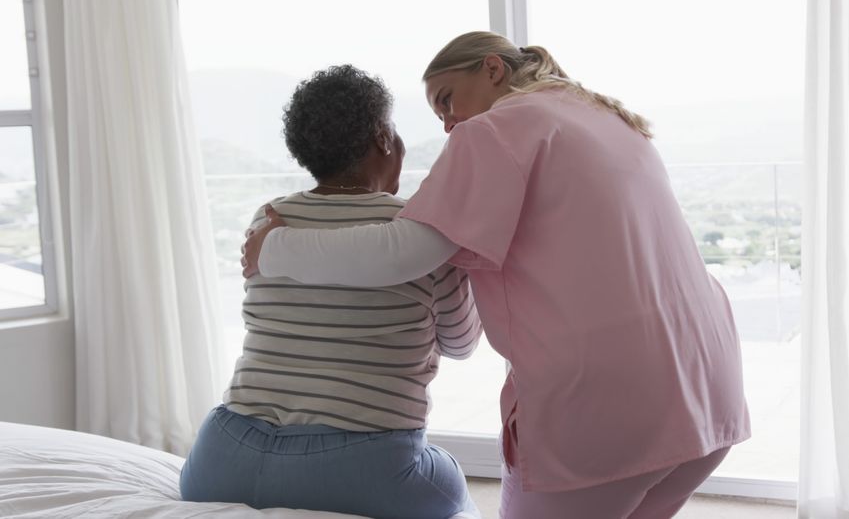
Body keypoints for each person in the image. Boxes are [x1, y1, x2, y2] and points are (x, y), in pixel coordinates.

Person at [243, 32, 750, 519]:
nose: (447, 124)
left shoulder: (495, 128)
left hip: (611, 408)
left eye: (446, 100)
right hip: (706, 386)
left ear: (491, 69)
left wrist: (274, 248)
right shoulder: (604, 117)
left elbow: (403, 251)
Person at [181, 65, 482, 519]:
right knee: (452, 484)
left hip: (222, 458)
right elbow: (460, 343)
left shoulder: (268, 221)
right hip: (359, 464)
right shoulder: (419, 233)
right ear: (384, 137)